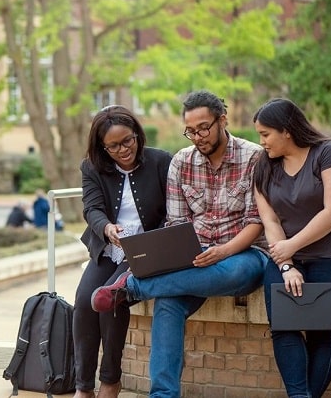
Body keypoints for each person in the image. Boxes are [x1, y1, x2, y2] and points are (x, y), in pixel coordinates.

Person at [90, 90, 268, 398]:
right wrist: (182, 253)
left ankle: (132, 288)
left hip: (242, 253)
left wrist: (222, 252)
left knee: (229, 271)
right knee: (168, 302)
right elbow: (177, 224)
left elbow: (256, 222)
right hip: (195, 257)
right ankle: (163, 394)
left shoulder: (253, 157)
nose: (197, 136)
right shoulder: (181, 162)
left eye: (203, 128)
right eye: (190, 131)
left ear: (222, 120)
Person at [252, 97, 331, 398]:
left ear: (287, 130)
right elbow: (270, 220)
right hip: (287, 256)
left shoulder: (329, 153)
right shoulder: (263, 166)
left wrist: (291, 246)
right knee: (283, 327)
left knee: (322, 333)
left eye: (265, 134)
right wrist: (287, 263)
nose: (261, 141)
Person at [74, 105, 172, 398]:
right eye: (113, 146)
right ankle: (83, 386)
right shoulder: (91, 166)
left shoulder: (161, 161)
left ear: (137, 135)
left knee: (109, 299)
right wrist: (107, 229)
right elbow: (91, 208)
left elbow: (174, 210)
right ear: (102, 147)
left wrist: (155, 240)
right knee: (83, 302)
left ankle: (110, 380)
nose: (123, 149)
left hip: (147, 248)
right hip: (109, 247)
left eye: (128, 140)